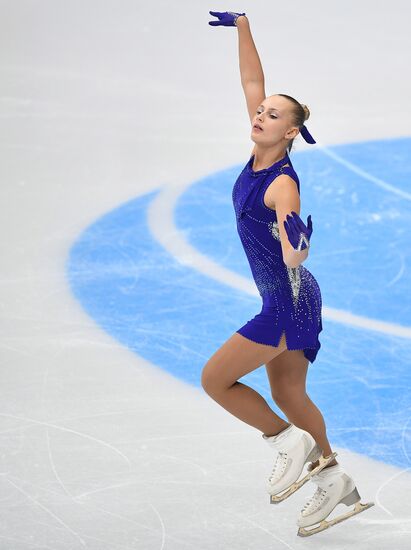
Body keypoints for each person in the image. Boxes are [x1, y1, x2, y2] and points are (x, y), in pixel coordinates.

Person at [201, 10, 374, 537]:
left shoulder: (281, 185)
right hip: (298, 297)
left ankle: (288, 442)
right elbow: (253, 80)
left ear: (292, 131)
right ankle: (335, 482)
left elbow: (295, 252)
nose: (259, 114)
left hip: (285, 299)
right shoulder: (258, 153)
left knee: (216, 380)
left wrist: (296, 243)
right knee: (291, 395)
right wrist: (244, 26)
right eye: (259, 111)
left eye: (272, 115)